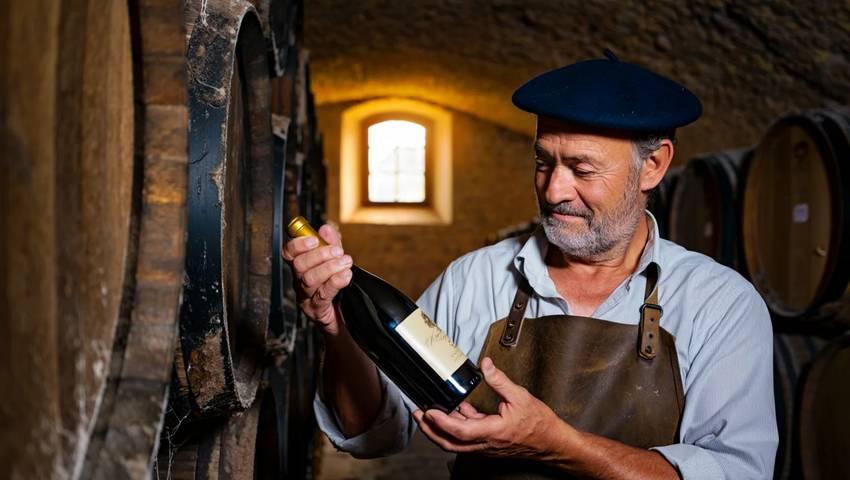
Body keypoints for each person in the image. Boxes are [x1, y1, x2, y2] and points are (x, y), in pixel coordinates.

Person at [282, 50, 777, 479]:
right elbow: (374, 433)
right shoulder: (474, 280)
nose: (554, 191)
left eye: (582, 169)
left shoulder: (719, 304)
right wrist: (338, 331)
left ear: (654, 165)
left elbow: (732, 472)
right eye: (544, 163)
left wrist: (556, 444)